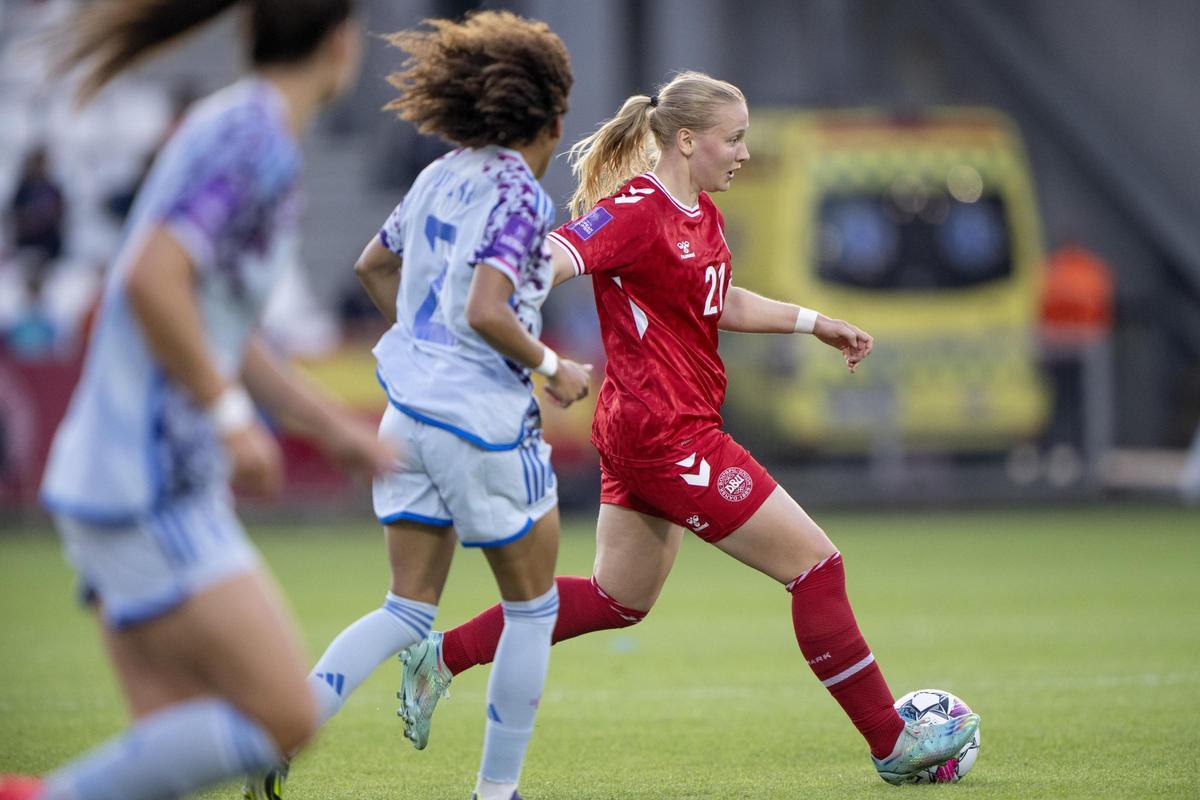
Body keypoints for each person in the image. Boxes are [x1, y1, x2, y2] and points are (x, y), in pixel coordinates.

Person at [395, 71, 980, 786]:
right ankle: (892, 742)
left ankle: (441, 656)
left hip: (650, 430)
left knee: (617, 600)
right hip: (667, 435)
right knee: (816, 568)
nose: (743, 153)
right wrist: (499, 308)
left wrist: (813, 322)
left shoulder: (701, 213)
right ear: (685, 140)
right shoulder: (635, 210)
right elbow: (555, 257)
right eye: (733, 139)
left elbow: (717, 297)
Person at [0, 2, 390, 799]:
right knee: (285, 717)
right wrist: (229, 416)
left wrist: (331, 429)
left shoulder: (245, 127)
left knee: (165, 758)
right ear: (341, 44)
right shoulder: (255, 140)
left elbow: (219, 325)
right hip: (149, 483)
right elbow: (153, 279)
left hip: (136, 478)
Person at [247, 11, 587, 800]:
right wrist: (552, 366)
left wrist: (425, 352)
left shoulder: (441, 174)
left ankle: (280, 733)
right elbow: (487, 310)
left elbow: (372, 265)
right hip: (481, 423)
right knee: (533, 610)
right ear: (553, 120)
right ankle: (496, 793)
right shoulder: (521, 195)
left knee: (405, 610)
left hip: (406, 414)